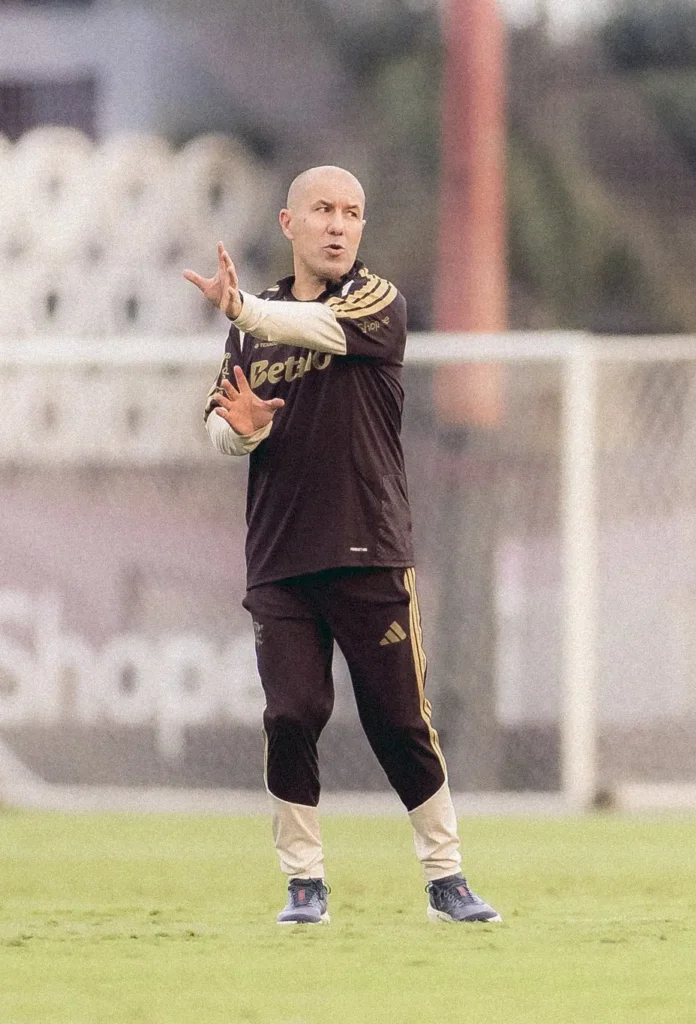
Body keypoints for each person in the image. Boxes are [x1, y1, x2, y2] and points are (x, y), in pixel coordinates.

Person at [185, 166, 500, 925]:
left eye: (352, 212)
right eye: (323, 210)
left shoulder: (374, 300)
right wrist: (244, 429)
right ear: (290, 223)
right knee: (291, 713)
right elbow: (215, 426)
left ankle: (446, 877)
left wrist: (246, 309)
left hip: (369, 549)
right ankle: (304, 883)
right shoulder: (250, 325)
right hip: (281, 561)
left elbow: (316, 329)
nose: (338, 225)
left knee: (400, 720)